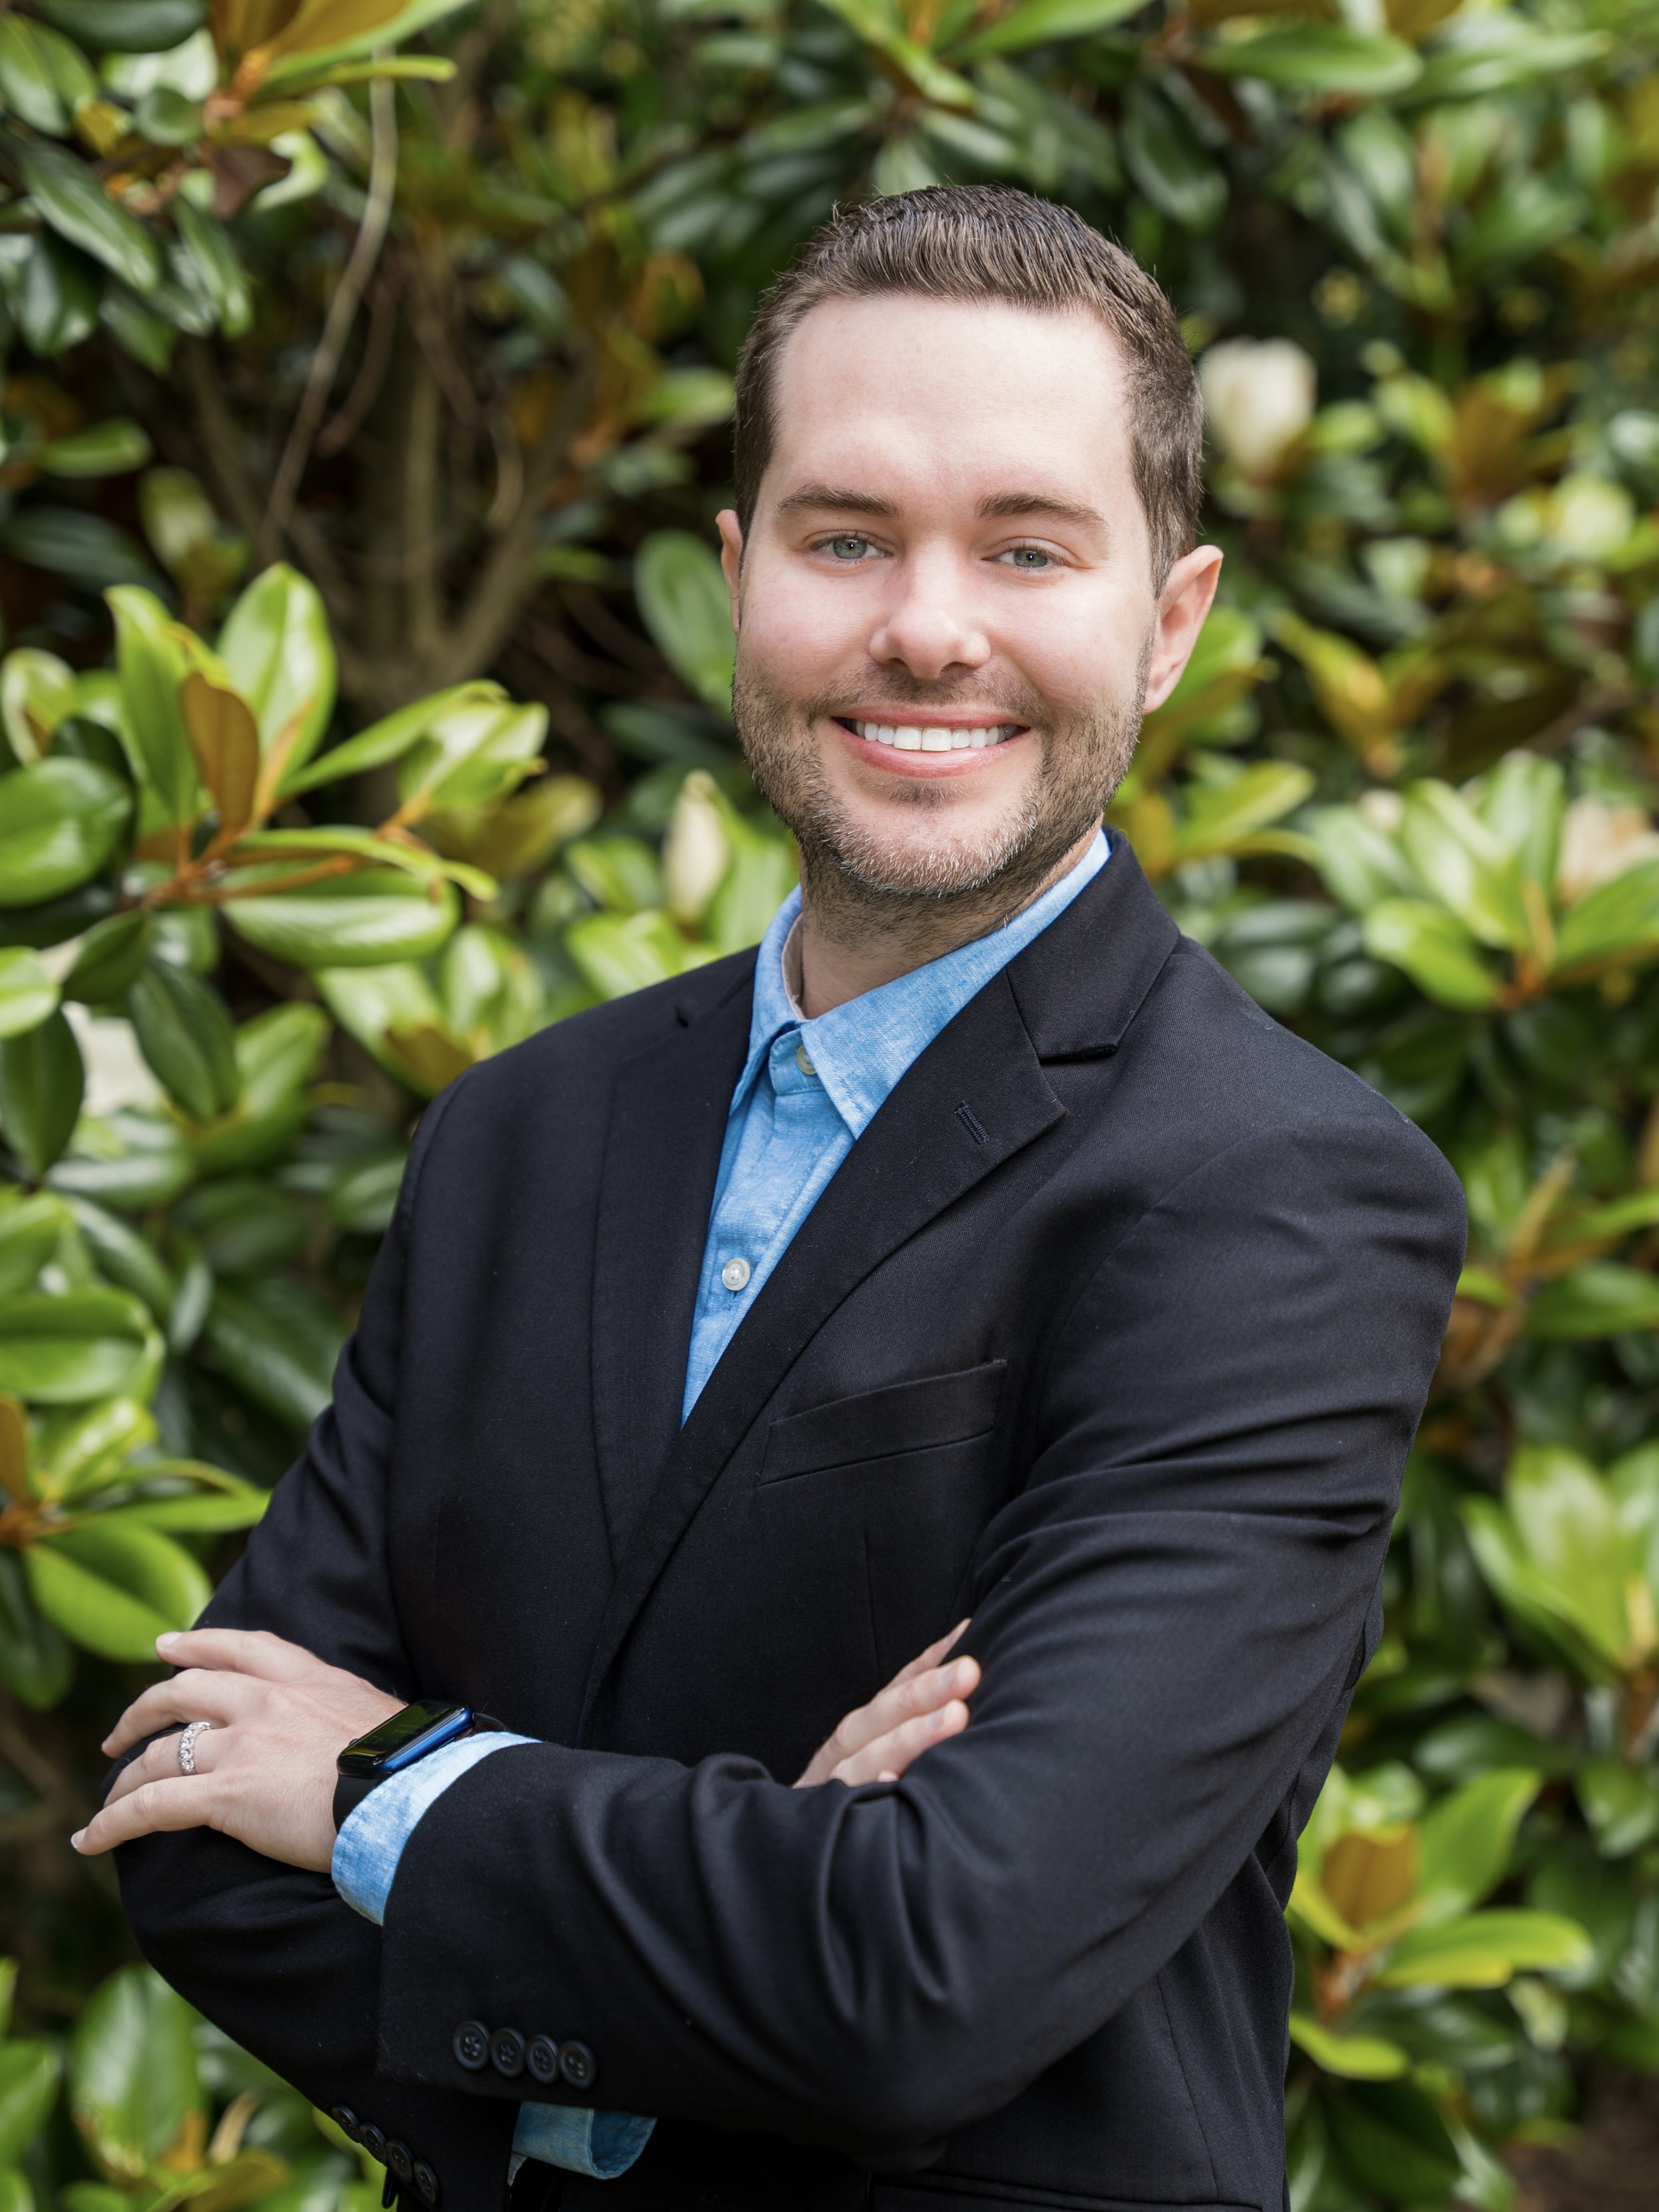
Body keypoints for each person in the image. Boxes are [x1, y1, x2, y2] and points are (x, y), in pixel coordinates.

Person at [78, 184, 1465, 2212]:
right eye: (845, 537)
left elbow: (927, 1967)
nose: (925, 621)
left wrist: (386, 1785)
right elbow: (193, 1823)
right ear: (739, 578)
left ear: (1167, 621)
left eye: (1023, 546)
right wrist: (764, 1879)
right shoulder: (518, 1135)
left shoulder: (1273, 1197)